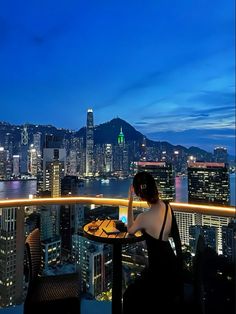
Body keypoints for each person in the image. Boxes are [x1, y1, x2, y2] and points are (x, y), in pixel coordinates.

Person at [122, 171, 183, 314]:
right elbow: (176, 237)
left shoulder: (144, 217)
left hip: (158, 275)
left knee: (128, 296)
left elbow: (130, 229)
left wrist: (130, 200)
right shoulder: (168, 207)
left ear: (139, 194)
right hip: (173, 269)